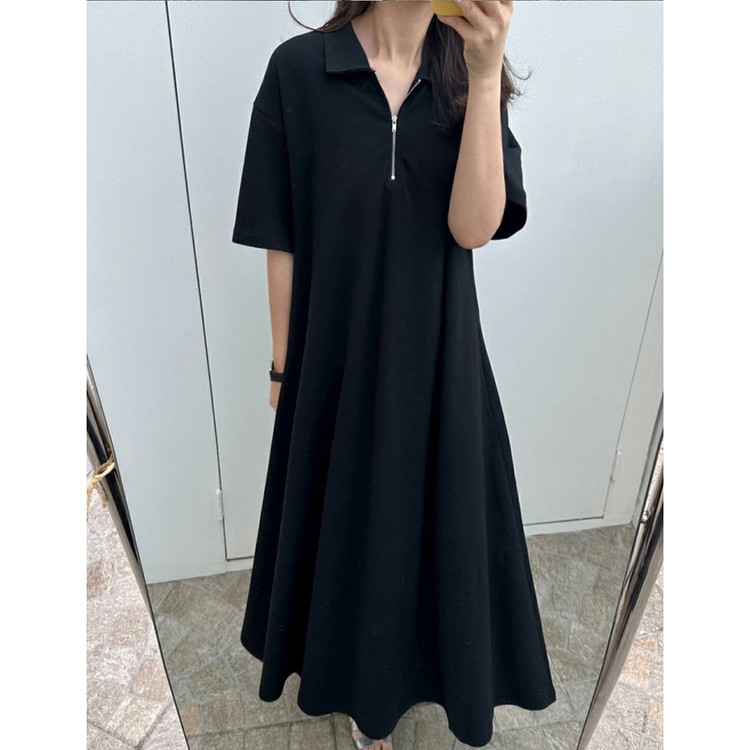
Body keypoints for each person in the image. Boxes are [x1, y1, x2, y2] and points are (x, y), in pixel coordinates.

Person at [231, 1, 556, 747]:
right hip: (334, 362)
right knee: (350, 530)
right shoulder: (298, 72)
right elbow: (279, 232)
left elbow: (474, 227)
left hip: (440, 364)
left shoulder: (467, 74)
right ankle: (364, 700)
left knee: (431, 534)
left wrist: (484, 77)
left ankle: (419, 684)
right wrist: (284, 364)